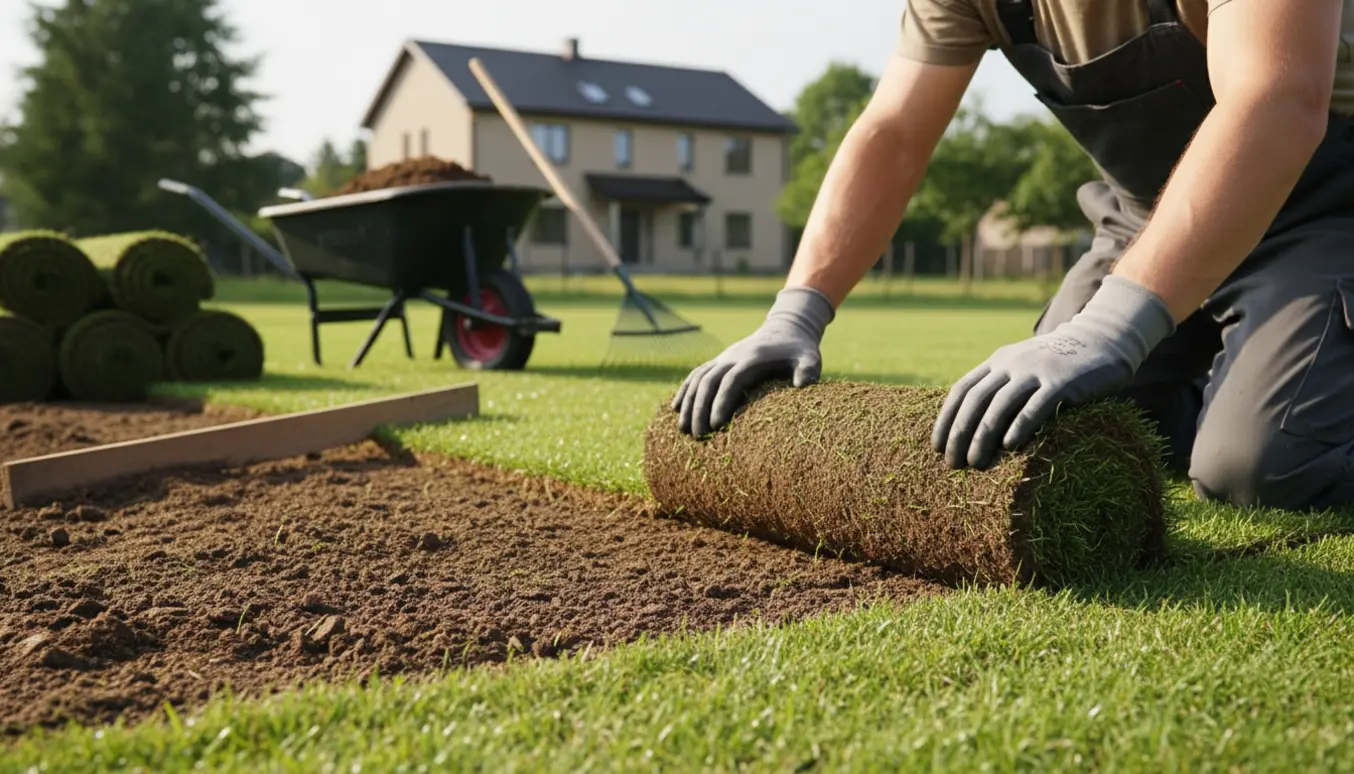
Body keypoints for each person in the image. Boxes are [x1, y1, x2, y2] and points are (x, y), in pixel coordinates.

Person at [672, 0, 1354, 511]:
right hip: (1145, 221)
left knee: (1260, 467)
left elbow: (1278, 98)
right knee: (1046, 436)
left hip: (1323, 206)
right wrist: (797, 312)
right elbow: (893, 132)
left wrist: (1108, 327)